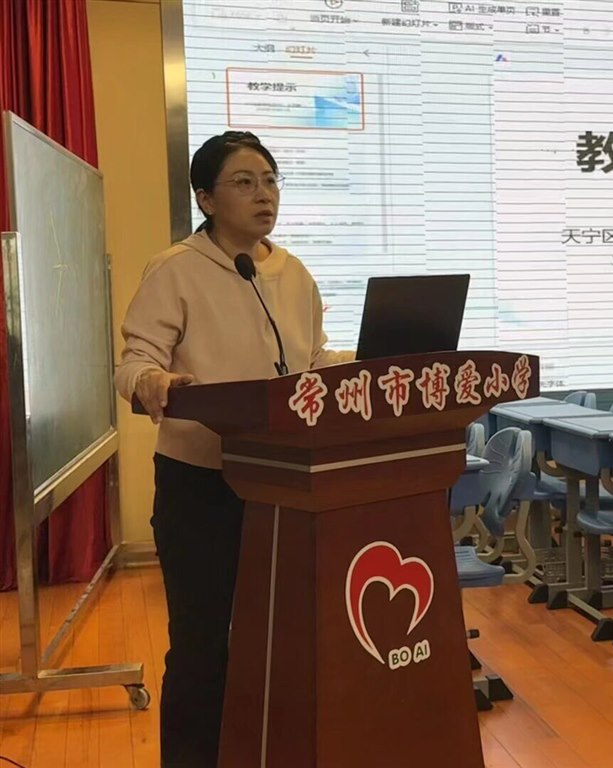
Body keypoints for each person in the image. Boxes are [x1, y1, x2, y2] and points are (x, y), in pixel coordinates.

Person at [114, 131, 353, 768]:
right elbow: (133, 362)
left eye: (270, 180)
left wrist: (356, 363)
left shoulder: (292, 272)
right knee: (201, 645)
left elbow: (308, 361)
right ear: (206, 198)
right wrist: (155, 381)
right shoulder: (176, 269)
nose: (263, 194)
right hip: (202, 484)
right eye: (244, 182)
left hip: (285, 483)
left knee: (281, 639)